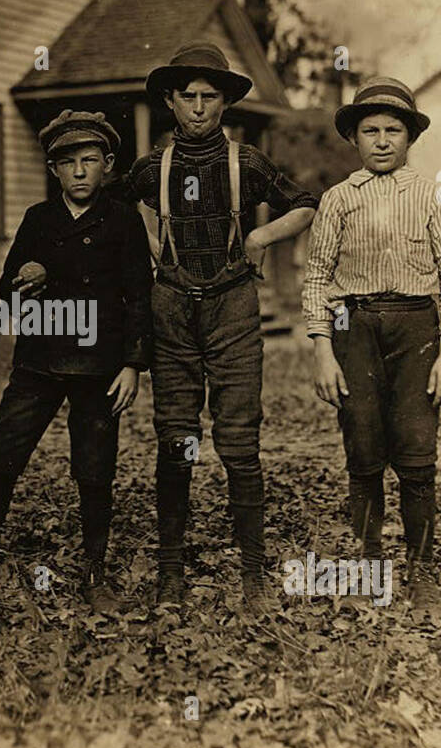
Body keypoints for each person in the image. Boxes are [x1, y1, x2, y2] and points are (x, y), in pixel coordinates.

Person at [125, 42, 319, 615]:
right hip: (171, 309)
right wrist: (146, 236)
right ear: (170, 101)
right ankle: (169, 571)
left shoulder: (246, 162)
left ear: (225, 103)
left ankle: (254, 574)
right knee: (177, 437)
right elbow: (107, 213)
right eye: (189, 97)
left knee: (238, 441)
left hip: (234, 308)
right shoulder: (150, 168)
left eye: (211, 97)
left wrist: (260, 237)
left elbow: (307, 203)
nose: (200, 108)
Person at [301, 76, 441, 619]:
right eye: (370, 130)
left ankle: (423, 571)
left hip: (416, 326)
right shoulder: (337, 200)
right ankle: (368, 561)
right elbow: (316, 277)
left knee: (417, 447)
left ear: (409, 138)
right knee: (363, 441)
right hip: (353, 325)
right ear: (354, 138)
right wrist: (322, 349)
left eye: (393, 130)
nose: (381, 141)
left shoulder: (429, 196)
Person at [0, 110, 152, 613]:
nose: (78, 171)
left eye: (89, 160)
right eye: (67, 162)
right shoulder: (38, 220)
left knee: (95, 469)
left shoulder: (123, 220)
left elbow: (139, 296)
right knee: (2, 455)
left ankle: (95, 570)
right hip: (40, 361)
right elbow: (6, 289)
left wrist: (133, 364)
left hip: (99, 367)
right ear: (54, 171)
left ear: (108, 165)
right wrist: (24, 275)